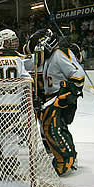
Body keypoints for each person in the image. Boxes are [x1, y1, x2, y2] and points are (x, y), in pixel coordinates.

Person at [31, 29, 85, 176]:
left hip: (60, 98)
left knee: (53, 129)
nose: (38, 47)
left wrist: (66, 95)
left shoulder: (60, 53)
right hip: (49, 99)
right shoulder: (45, 58)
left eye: (40, 44)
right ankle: (69, 157)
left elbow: (78, 76)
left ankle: (65, 159)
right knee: (54, 129)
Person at [0, 34, 33, 177]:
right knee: (10, 139)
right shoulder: (16, 60)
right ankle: (10, 170)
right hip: (13, 108)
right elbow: (27, 80)